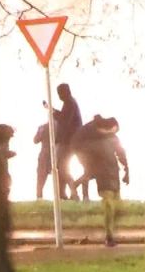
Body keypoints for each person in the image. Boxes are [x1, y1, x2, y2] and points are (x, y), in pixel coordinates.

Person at [72, 116, 130, 247]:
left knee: (117, 207)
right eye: (115, 129)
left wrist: (127, 170)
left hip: (113, 174)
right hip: (103, 177)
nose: (115, 132)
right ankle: (109, 236)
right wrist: (90, 169)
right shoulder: (92, 141)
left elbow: (121, 153)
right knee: (109, 205)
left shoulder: (113, 139)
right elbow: (80, 150)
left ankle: (111, 232)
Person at [53, 83, 83, 200]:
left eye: (60, 93)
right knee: (62, 167)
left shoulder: (70, 103)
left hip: (69, 141)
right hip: (69, 141)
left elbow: (65, 121)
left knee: (62, 168)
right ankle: (63, 193)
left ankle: (73, 192)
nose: (59, 96)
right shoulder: (69, 103)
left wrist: (53, 113)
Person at [33, 122, 51, 201]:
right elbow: (35, 140)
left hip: (50, 153)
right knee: (41, 176)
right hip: (45, 154)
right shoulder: (43, 127)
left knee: (41, 176)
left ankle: (39, 196)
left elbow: (35, 140)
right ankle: (39, 196)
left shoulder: (44, 126)